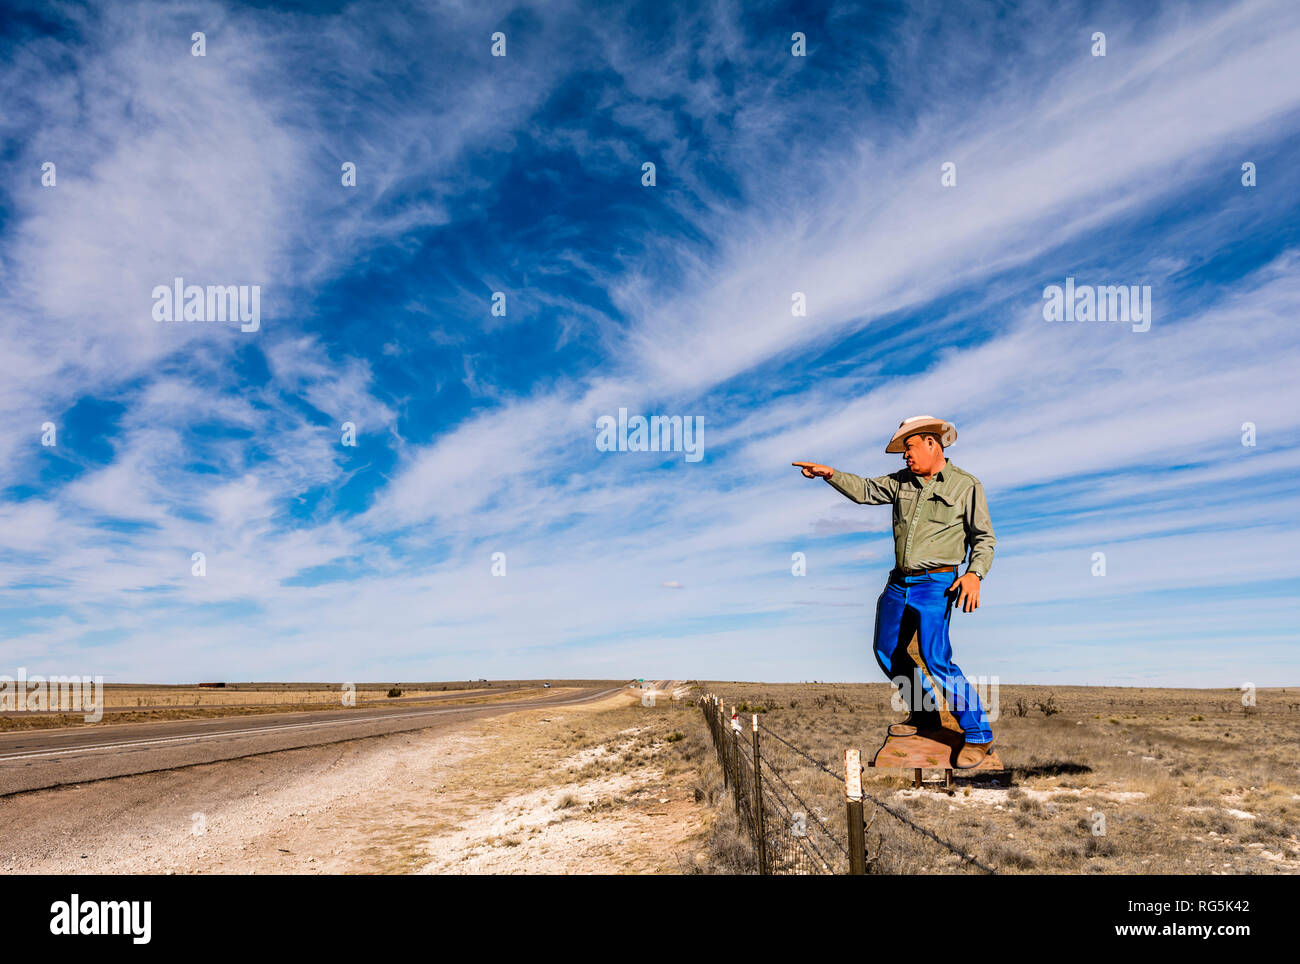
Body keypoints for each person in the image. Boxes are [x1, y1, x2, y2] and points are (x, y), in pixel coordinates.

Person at [793, 415, 996, 768]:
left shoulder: (966, 485)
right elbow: (867, 491)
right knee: (887, 650)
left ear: (933, 444)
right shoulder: (902, 482)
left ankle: (978, 735)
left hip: (938, 583)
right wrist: (831, 475)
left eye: (910, 447)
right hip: (898, 582)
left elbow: (984, 538)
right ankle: (926, 715)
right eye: (904, 450)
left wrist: (975, 575)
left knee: (936, 658)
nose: (905, 456)